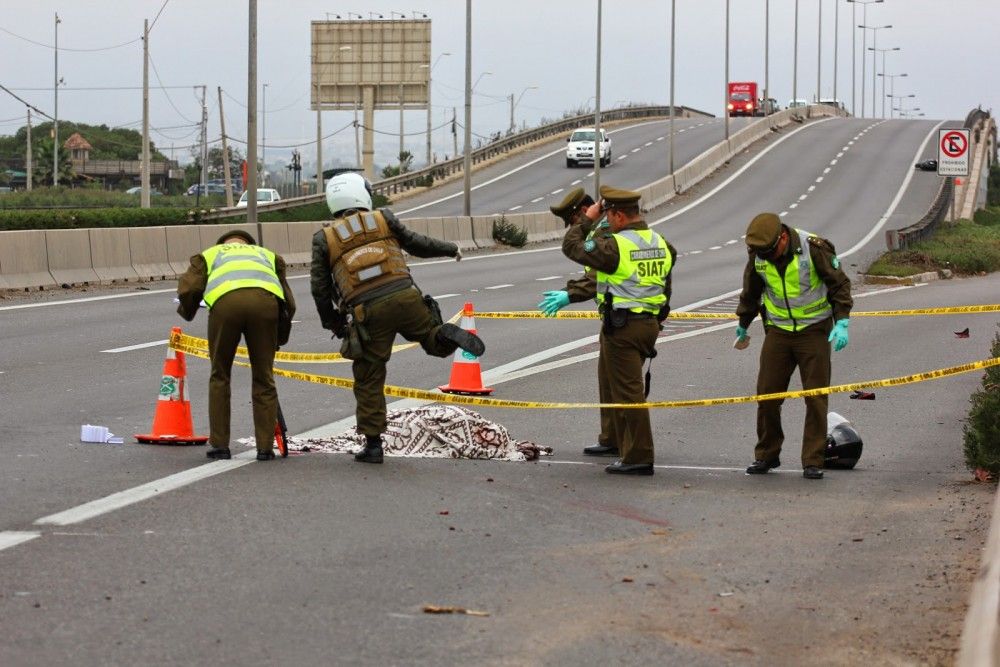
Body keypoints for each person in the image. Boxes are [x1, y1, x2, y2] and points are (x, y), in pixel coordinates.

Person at [310, 172, 485, 465]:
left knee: (369, 376)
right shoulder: (383, 218)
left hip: (367, 312)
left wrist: (335, 324)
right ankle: (444, 334)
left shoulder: (324, 239)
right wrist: (450, 248)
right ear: (362, 194)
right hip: (405, 297)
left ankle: (373, 446)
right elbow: (416, 243)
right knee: (431, 339)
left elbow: (320, 288)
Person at [562, 185, 676, 476]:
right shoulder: (659, 242)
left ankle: (639, 455)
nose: (607, 221)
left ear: (619, 216)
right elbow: (665, 282)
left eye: (609, 215)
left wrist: (588, 217)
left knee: (628, 393)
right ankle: (615, 440)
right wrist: (658, 316)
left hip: (625, 326)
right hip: (646, 323)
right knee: (613, 382)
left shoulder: (617, 246)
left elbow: (572, 246)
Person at [734, 212, 853, 480]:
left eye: (770, 252)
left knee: (815, 396)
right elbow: (751, 291)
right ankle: (766, 454)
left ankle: (813, 459)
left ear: (783, 238)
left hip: (814, 330)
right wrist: (743, 322)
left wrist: (842, 321)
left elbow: (839, 285)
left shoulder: (814, 249)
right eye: (762, 254)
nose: (766, 257)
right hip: (779, 331)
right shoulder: (760, 255)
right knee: (767, 395)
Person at [176, 229, 296, 461]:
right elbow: (288, 304)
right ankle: (265, 448)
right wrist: (278, 337)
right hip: (265, 305)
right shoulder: (267, 256)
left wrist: (187, 310)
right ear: (249, 244)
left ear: (223, 243)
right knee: (264, 377)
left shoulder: (211, 254)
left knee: (220, 374)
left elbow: (189, 288)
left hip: (226, 306)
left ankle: (220, 445)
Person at [538, 187, 620, 457]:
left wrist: (570, 295)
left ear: (585, 211)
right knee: (608, 381)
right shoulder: (598, 232)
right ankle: (612, 439)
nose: (575, 227)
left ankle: (629, 444)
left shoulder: (605, 232)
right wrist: (569, 291)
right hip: (613, 317)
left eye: (574, 221)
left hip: (625, 318)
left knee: (620, 385)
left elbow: (596, 278)